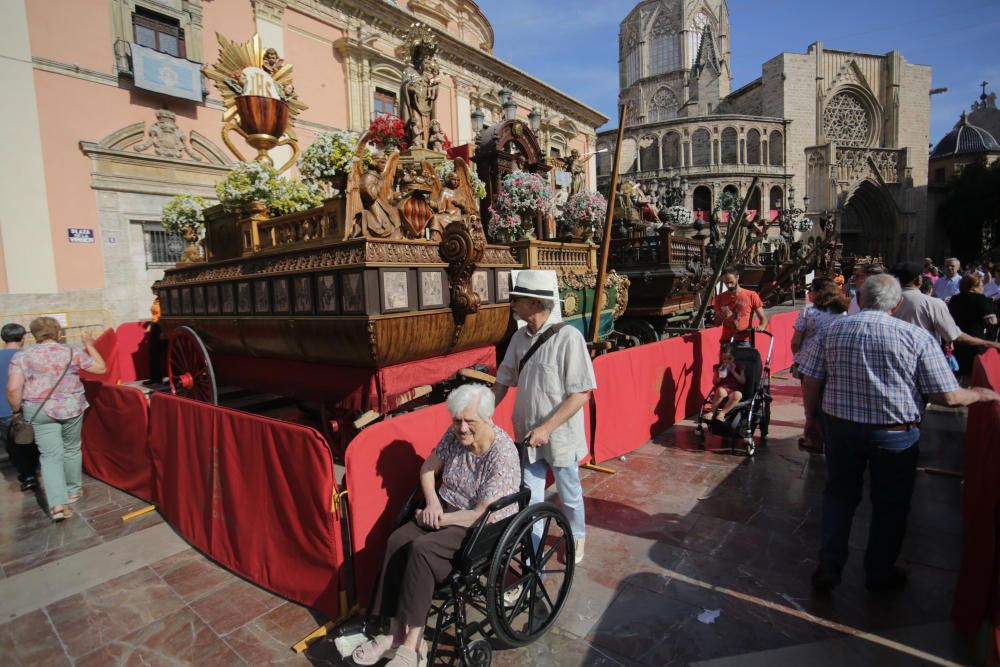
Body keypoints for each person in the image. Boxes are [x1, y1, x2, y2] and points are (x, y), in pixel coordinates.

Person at [799, 275, 1000, 593]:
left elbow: (811, 379)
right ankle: (879, 572)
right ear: (896, 304)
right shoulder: (916, 337)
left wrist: (811, 419)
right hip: (894, 433)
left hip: (841, 428)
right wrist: (980, 394)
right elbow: (945, 396)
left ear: (861, 300)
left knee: (839, 496)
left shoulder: (830, 330)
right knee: (889, 504)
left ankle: (829, 563)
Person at [354, 384, 519, 667]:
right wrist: (431, 503)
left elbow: (481, 512)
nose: (463, 428)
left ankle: (413, 646)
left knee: (421, 549)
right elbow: (428, 468)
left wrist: (442, 519)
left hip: (477, 526)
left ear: (487, 418)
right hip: (443, 507)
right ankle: (393, 633)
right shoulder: (454, 436)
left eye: (470, 422)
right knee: (396, 540)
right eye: (457, 421)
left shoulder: (501, 453)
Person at [493, 270, 596, 564]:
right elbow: (502, 381)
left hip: (559, 435)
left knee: (569, 491)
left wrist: (548, 427)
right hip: (527, 433)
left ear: (535, 303)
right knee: (531, 497)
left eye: (518, 299)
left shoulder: (569, 338)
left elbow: (580, 394)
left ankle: (577, 534)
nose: (513, 303)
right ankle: (532, 552)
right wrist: (482, 414)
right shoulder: (518, 338)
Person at [6, 317, 106, 521]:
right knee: (71, 448)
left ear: (33, 335)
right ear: (58, 332)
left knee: (50, 456)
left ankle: (58, 505)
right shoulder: (71, 351)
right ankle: (73, 490)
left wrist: (16, 411)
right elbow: (101, 368)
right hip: (71, 407)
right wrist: (89, 345)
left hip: (38, 410)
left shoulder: (22, 356)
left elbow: (13, 388)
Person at [891, 262, 1000, 358]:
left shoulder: (886, 300)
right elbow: (954, 335)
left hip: (891, 353)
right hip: (921, 356)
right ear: (918, 280)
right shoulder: (933, 303)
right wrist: (987, 343)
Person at [790, 278, 848, 452]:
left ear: (816, 292)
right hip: (832, 361)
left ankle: (813, 439)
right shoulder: (842, 313)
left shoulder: (808, 312)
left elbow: (795, 341)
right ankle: (828, 437)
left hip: (808, 362)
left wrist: (798, 356)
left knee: (812, 403)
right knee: (827, 401)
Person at [0, 324, 38, 491]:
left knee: (13, 446)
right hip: (28, 407)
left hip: (3, 410)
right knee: (32, 442)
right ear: (23, 338)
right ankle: (34, 472)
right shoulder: (30, 356)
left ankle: (27, 475)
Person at [948, 274, 998, 380]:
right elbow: (992, 321)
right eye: (980, 286)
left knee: (959, 374)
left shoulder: (954, 299)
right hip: (976, 342)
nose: (982, 288)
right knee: (974, 375)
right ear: (973, 287)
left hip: (958, 340)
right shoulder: (981, 299)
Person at [712, 266, 768, 344]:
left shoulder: (751, 295)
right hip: (727, 340)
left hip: (744, 341)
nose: (729, 286)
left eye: (731, 282)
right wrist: (722, 316)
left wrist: (762, 327)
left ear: (737, 277)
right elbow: (717, 324)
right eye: (726, 283)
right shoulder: (719, 298)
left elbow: (764, 319)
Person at [710, 342, 746, 421]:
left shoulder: (739, 367)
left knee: (738, 395)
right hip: (723, 388)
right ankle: (712, 412)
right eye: (724, 359)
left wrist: (733, 372)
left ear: (734, 358)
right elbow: (715, 382)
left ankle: (722, 413)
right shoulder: (719, 367)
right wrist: (720, 375)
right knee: (720, 391)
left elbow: (743, 381)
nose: (727, 361)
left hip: (735, 390)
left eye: (729, 359)